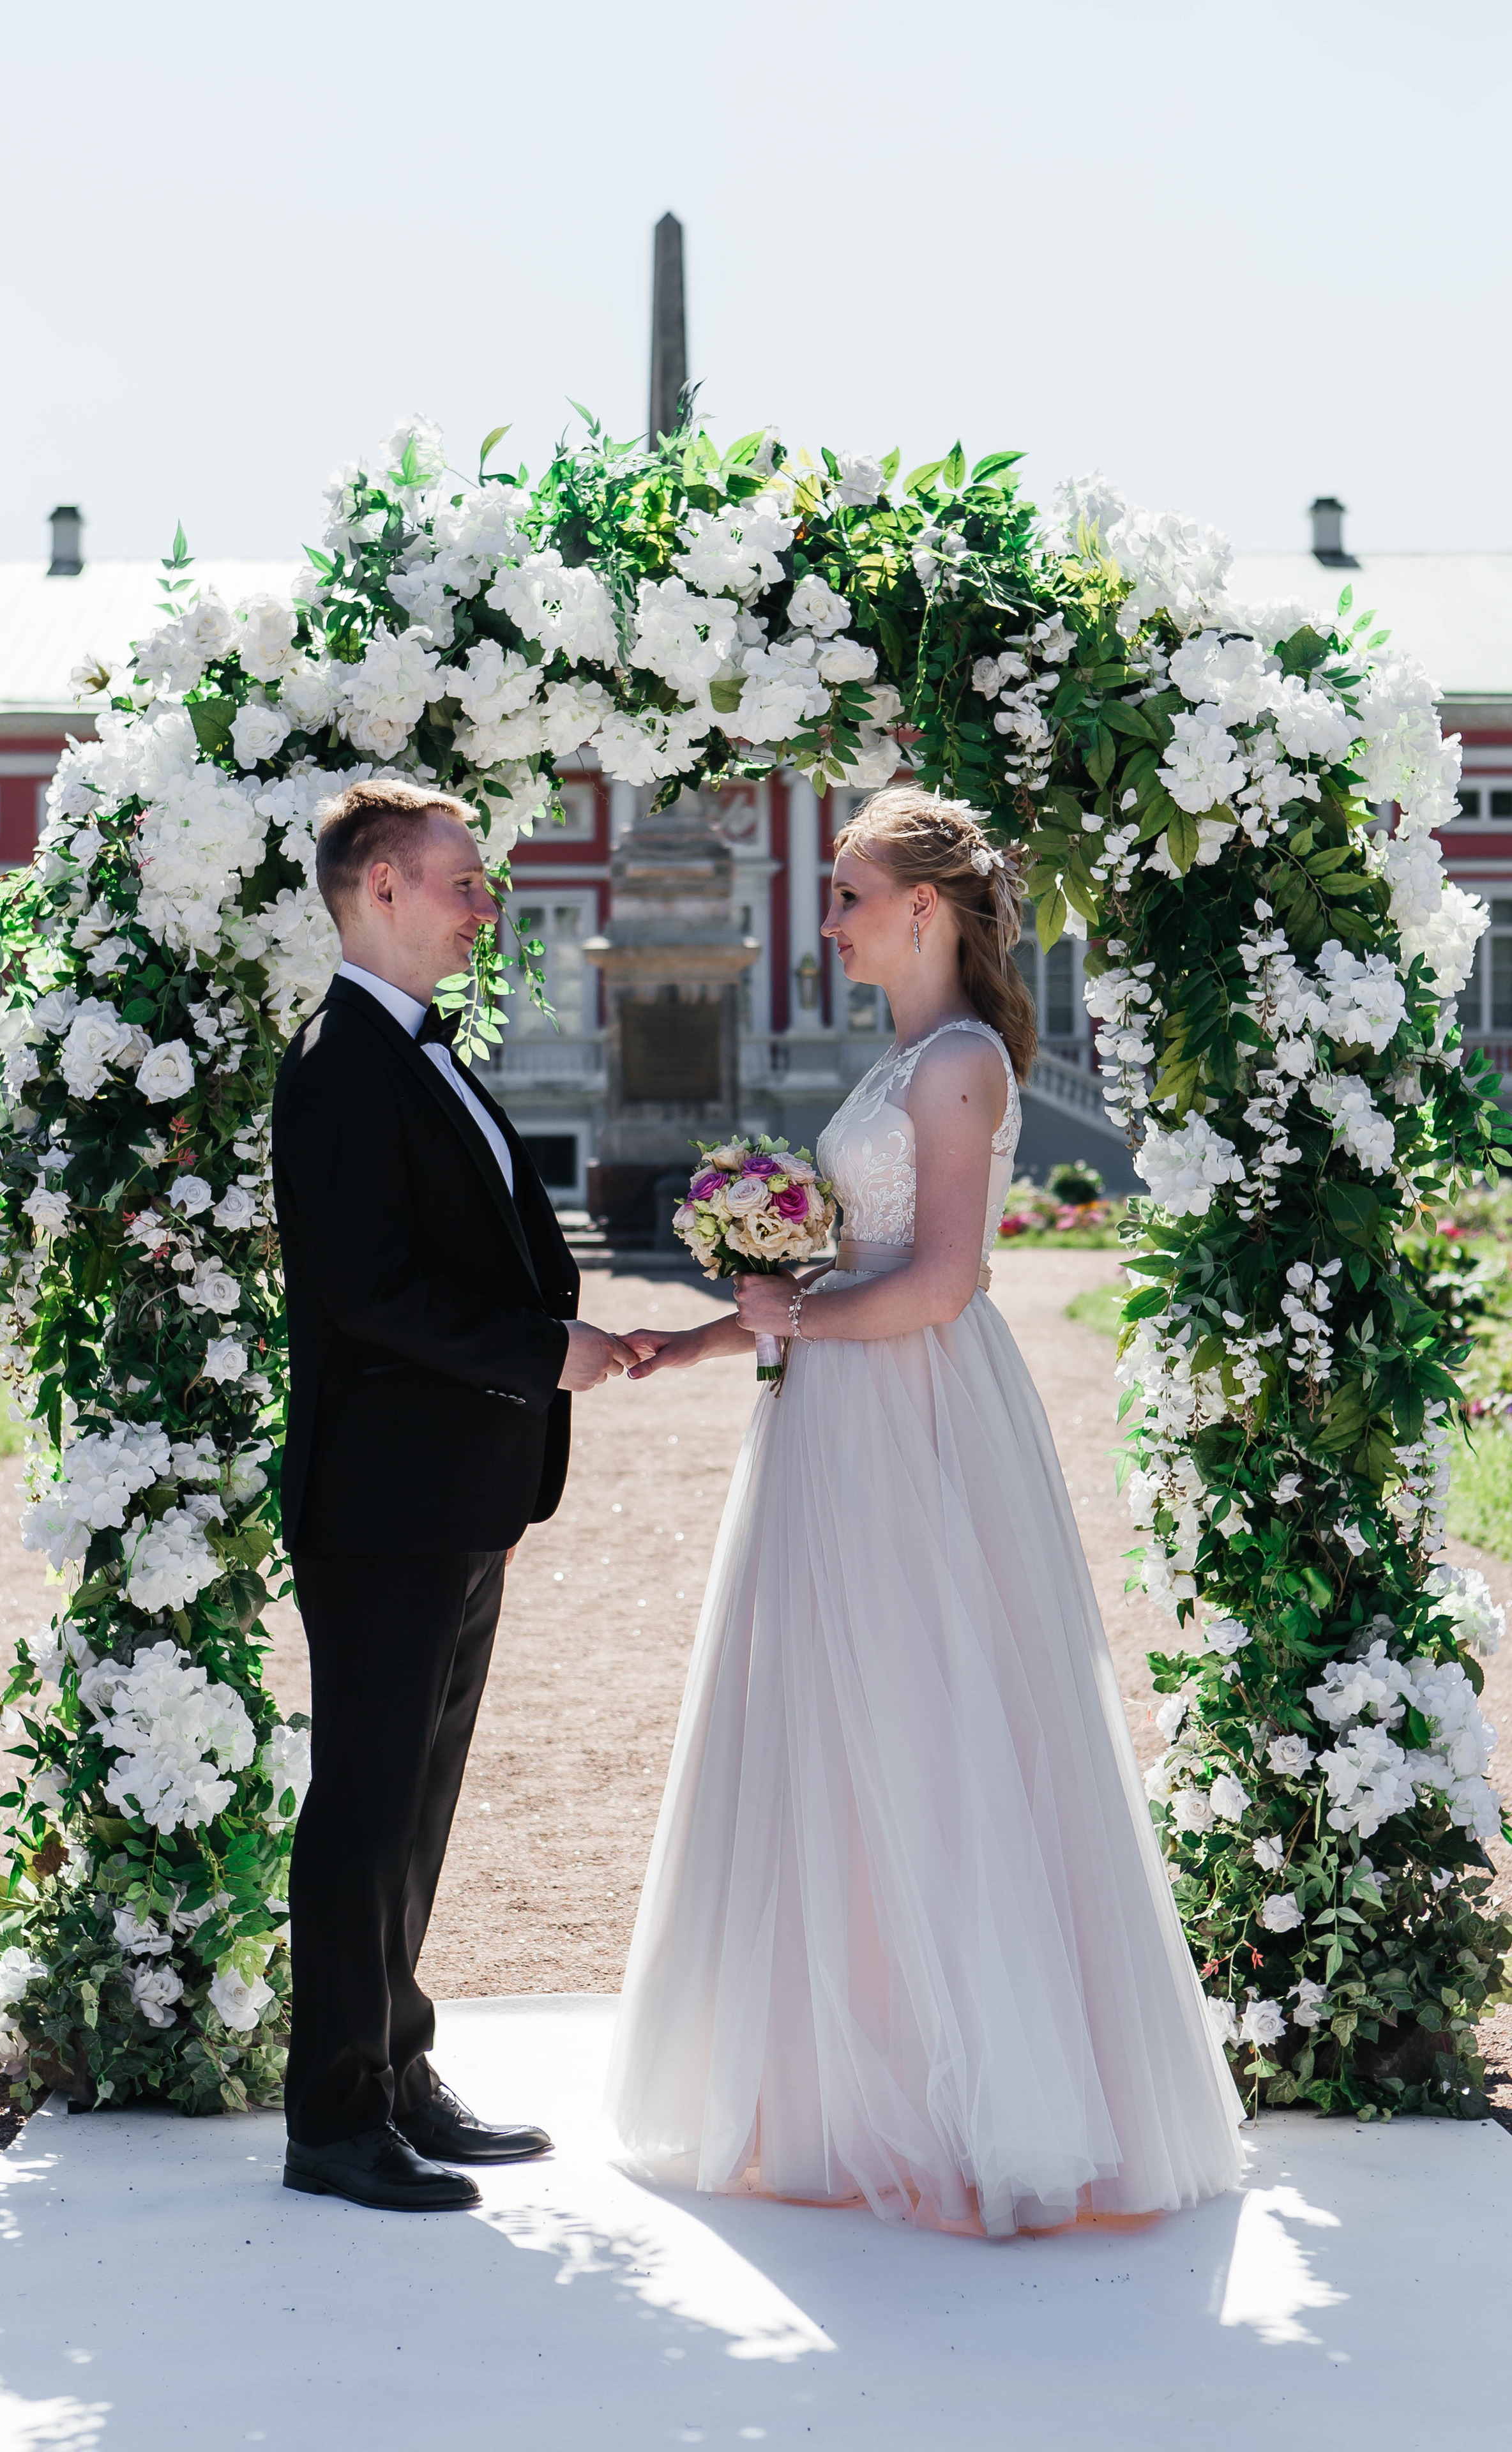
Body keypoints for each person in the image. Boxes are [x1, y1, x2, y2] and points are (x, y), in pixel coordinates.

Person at [608, 785, 1243, 2238]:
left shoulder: (956, 1062)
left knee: (926, 1716)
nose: (825, 918)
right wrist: (707, 1339)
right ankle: (852, 2072)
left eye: (846, 894)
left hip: (917, 1416)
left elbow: (941, 1282)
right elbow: (834, 1275)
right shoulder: (897, 1055)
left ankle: (969, 2094)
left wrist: (787, 1324)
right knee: (845, 1725)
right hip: (842, 1408)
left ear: (921, 910)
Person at [273, 778, 642, 2213]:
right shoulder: (340, 1063)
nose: (484, 906)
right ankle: (330, 2123)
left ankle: (397, 2069)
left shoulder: (416, 1051)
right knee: (362, 1809)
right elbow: (366, 1295)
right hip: (381, 1499)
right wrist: (549, 1353)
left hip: (456, 1492)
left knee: (414, 1804)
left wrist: (552, 1349)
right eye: (460, 882)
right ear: (378, 889)